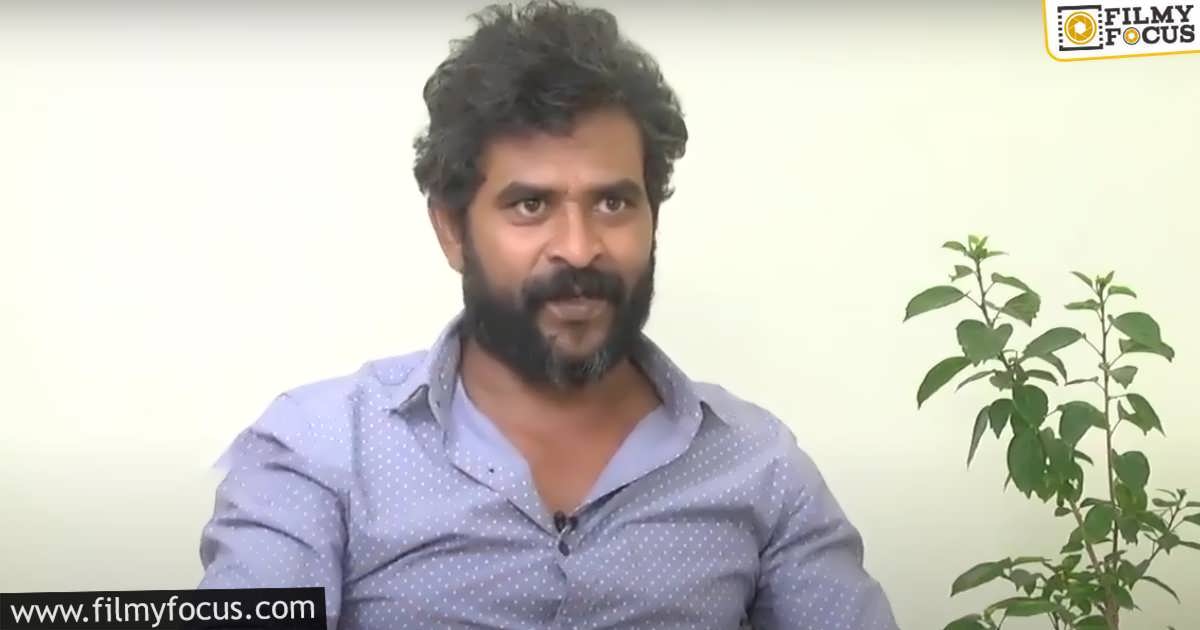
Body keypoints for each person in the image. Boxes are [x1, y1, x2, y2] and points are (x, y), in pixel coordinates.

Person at [197, 1, 898, 628]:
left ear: (653, 220)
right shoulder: (320, 450)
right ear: (452, 230)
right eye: (530, 205)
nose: (579, 248)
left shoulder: (757, 463)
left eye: (613, 203)